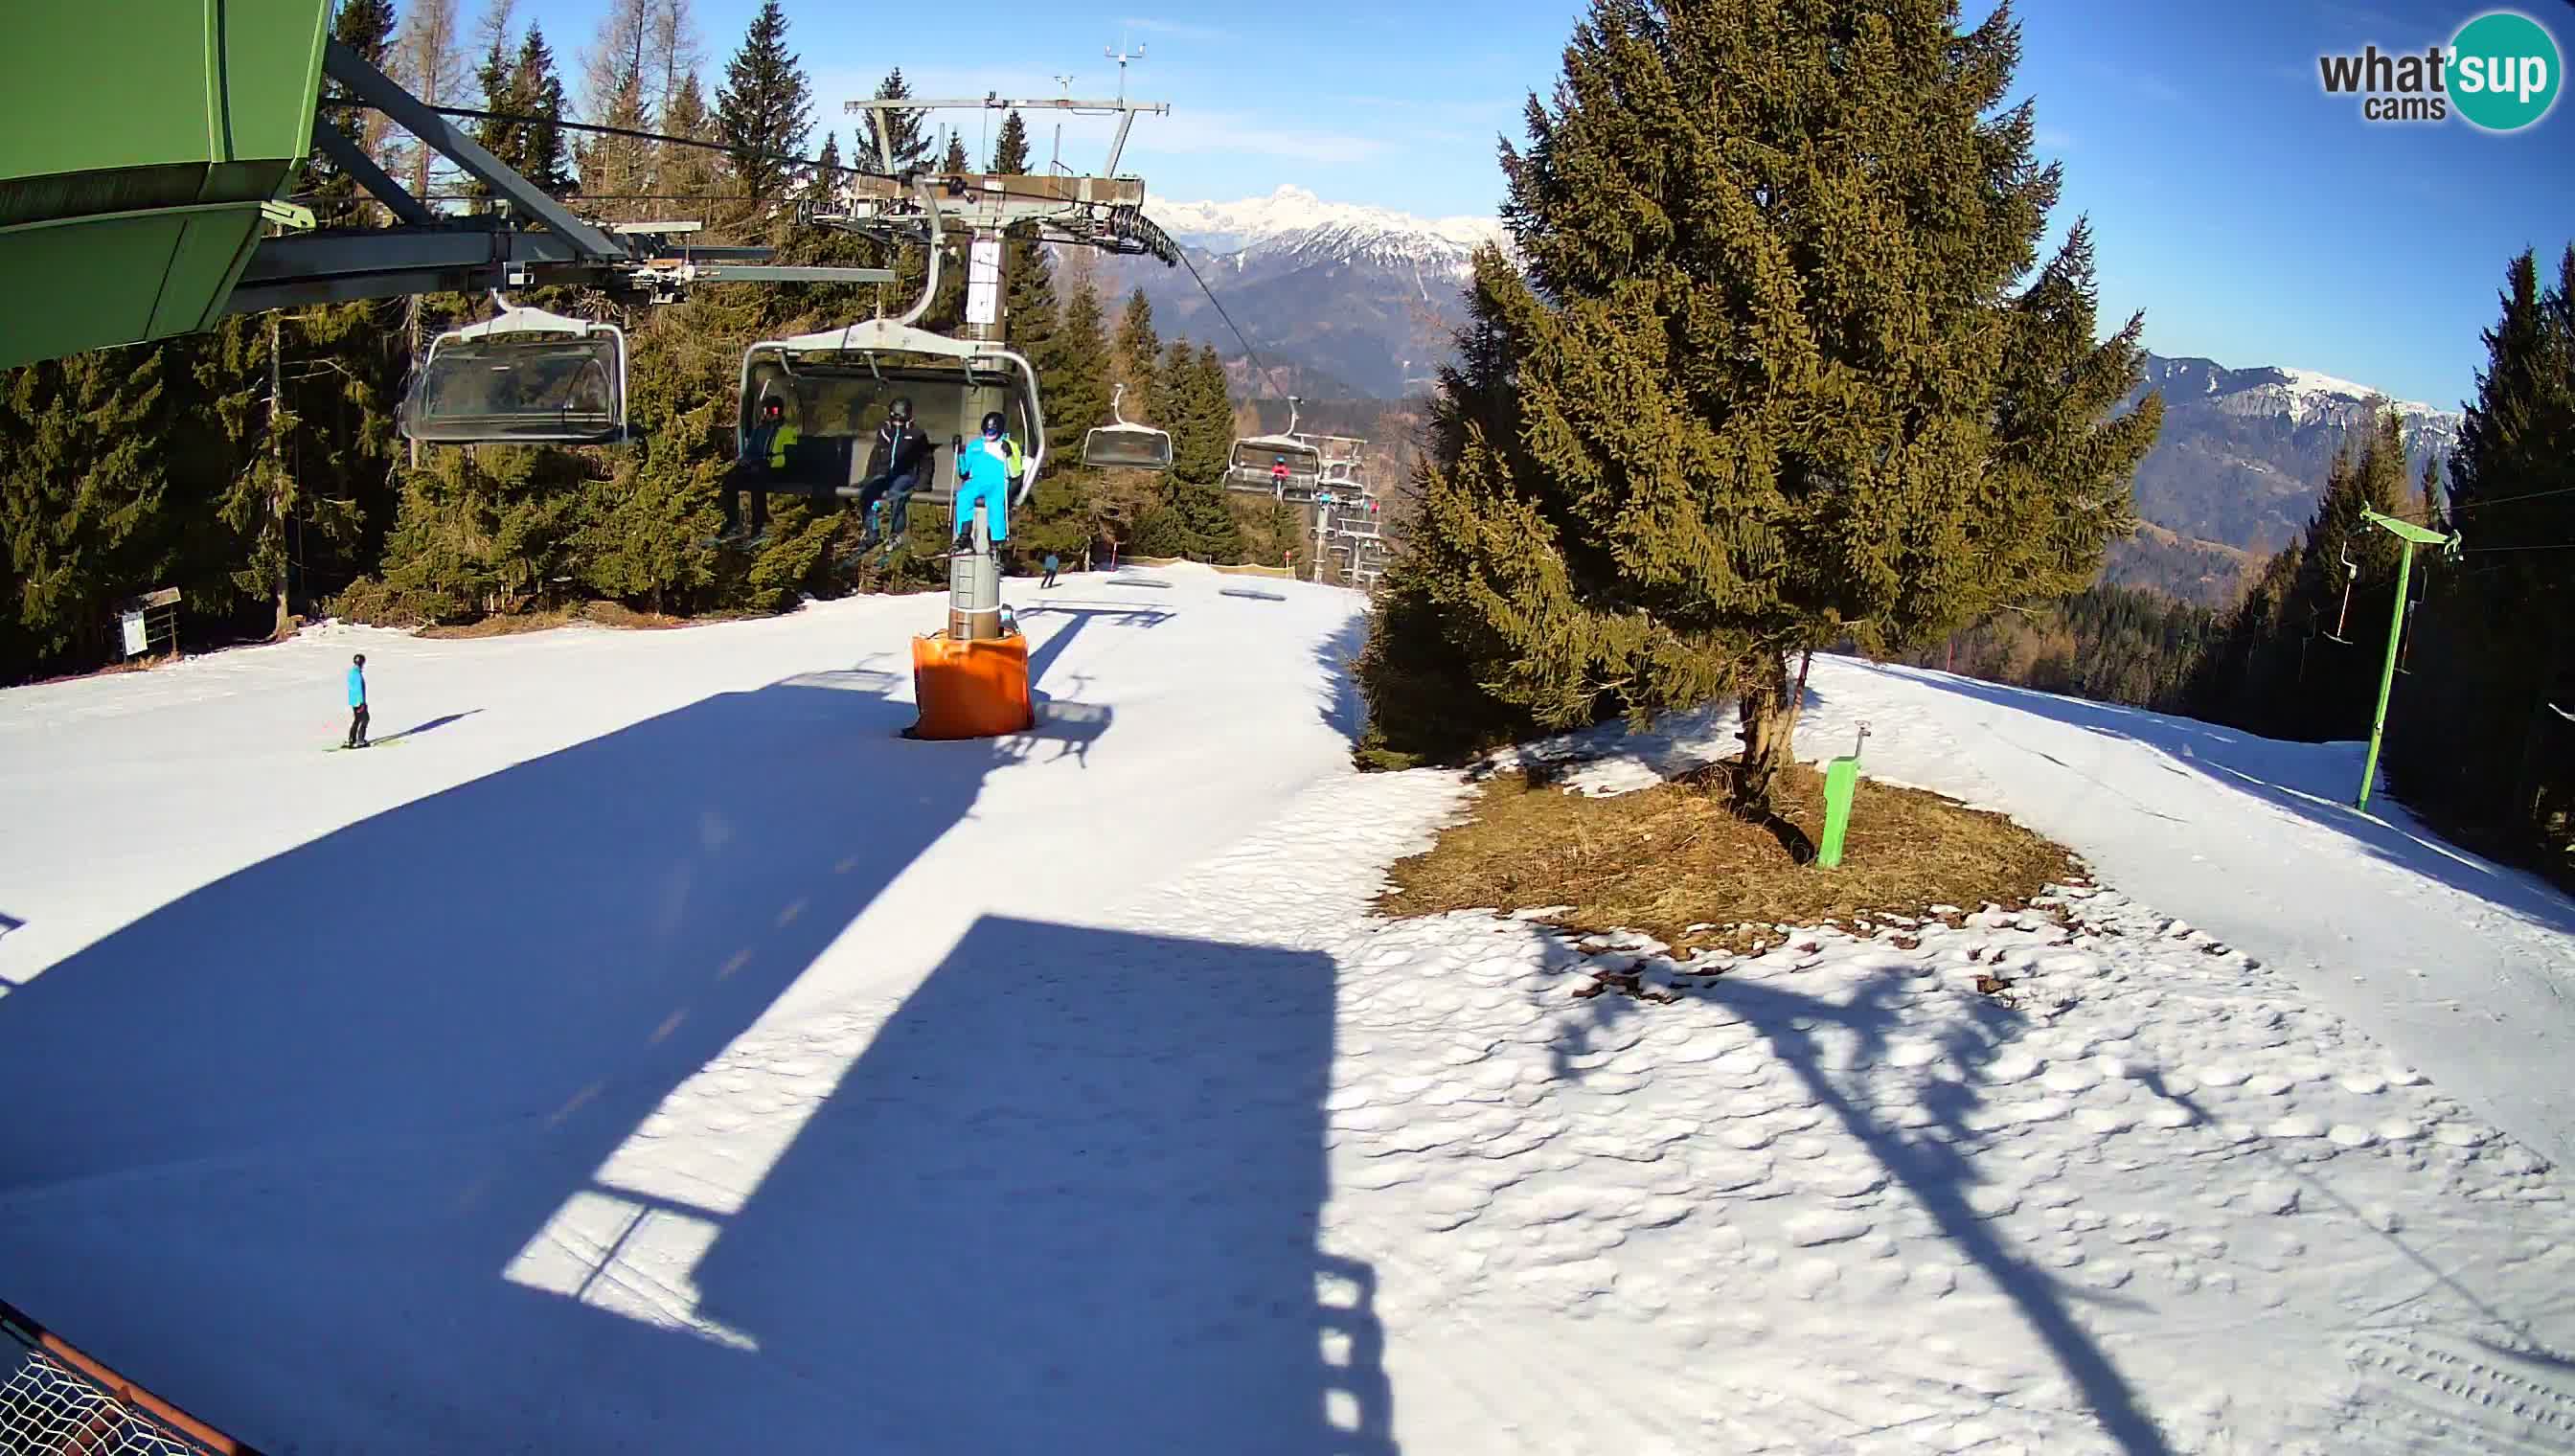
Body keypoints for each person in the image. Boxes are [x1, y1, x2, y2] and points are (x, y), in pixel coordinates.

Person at [854, 397, 934, 546]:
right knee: (869, 492)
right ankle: (871, 530)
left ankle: (896, 532)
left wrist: (924, 482)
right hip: (884, 474)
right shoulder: (885, 432)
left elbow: (926, 459)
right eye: (894, 421)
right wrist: (869, 478)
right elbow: (876, 454)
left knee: (896, 492)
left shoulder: (916, 434)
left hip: (905, 475)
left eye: (900, 421)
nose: (897, 424)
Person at [723, 396, 801, 540]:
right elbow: (750, 451)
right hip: (757, 466)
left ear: (780, 411)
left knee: (757, 479)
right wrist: (746, 461)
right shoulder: (759, 430)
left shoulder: (787, 431)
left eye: (773, 410)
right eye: (767, 410)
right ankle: (733, 522)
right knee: (731, 478)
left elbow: (790, 457)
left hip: (777, 470)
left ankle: (759, 525)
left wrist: (767, 461)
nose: (770, 414)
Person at [951, 411, 1017, 547]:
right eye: (987, 431)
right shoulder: (975, 446)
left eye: (992, 431)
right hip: (976, 481)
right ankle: (964, 536)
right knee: (963, 496)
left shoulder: (1009, 445)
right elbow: (964, 472)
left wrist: (1010, 455)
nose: (989, 435)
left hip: (997, 481)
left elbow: (1015, 472)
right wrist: (959, 454)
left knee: (995, 503)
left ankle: (996, 540)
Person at [345, 652, 371, 748]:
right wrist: (362, 703)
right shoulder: (357, 674)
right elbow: (359, 689)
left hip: (353, 700)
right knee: (365, 719)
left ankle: (352, 739)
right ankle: (360, 740)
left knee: (358, 719)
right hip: (358, 701)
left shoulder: (352, 672)